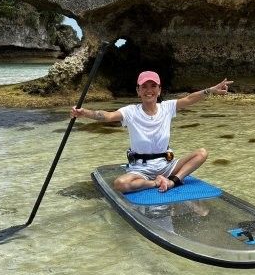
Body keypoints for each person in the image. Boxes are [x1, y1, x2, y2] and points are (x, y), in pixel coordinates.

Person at [71, 71, 233, 193]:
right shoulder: (130, 112)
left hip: (167, 165)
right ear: (138, 91)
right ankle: (155, 183)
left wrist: (210, 90)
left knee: (202, 153)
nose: (149, 90)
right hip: (141, 170)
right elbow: (107, 116)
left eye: (153, 86)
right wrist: (84, 113)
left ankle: (172, 182)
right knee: (120, 184)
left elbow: (190, 99)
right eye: (144, 87)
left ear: (159, 90)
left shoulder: (167, 108)